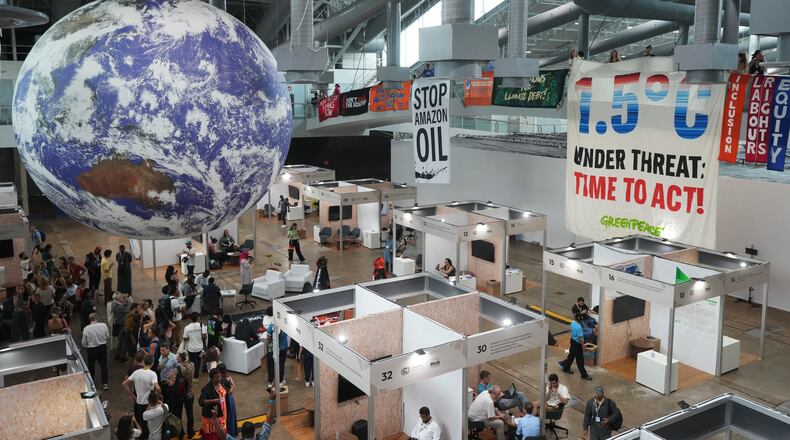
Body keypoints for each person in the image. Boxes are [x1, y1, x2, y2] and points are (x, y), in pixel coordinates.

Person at [212, 389, 276, 440]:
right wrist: (272, 400)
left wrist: (215, 419)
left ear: (242, 433)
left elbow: (223, 436)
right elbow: (269, 421)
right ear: (254, 431)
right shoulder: (262, 437)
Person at [124, 355, 160, 439]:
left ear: (144, 362)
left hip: (138, 401)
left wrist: (131, 394)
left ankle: (139, 435)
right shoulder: (152, 374)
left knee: (139, 421)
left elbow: (124, 383)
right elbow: (158, 388)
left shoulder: (136, 372)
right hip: (148, 403)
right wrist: (157, 397)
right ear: (152, 363)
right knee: (147, 423)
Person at [558, 313, 592, 380]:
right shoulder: (579, 327)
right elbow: (580, 338)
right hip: (577, 344)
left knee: (571, 356)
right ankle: (584, 375)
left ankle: (566, 368)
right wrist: (583, 346)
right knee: (580, 360)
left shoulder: (572, 322)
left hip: (572, 341)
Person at [82, 312, 110, 390]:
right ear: (96, 318)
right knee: (103, 365)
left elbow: (83, 343)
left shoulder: (86, 328)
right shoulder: (103, 325)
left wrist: (88, 345)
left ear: (89, 319)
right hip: (102, 348)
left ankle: (91, 383)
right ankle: (105, 383)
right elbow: (107, 336)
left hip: (91, 350)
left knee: (91, 366)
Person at [199, 368, 228, 440]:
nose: (219, 379)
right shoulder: (206, 389)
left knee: (222, 432)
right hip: (212, 417)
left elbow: (226, 390)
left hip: (222, 413)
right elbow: (201, 402)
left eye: (220, 376)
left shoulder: (220, 383)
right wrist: (214, 401)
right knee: (214, 435)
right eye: (217, 378)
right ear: (211, 378)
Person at [175, 352, 196, 438]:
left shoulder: (178, 368)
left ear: (180, 358)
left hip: (180, 395)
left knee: (178, 414)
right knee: (190, 413)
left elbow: (173, 382)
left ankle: (180, 433)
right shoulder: (192, 365)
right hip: (190, 393)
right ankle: (190, 432)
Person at [183, 312, 206, 380]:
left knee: (192, 362)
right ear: (197, 318)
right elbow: (205, 336)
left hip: (191, 348)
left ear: (190, 319)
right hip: (199, 348)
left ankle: (193, 375)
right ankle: (196, 376)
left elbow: (185, 338)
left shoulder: (187, 327)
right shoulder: (201, 325)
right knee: (198, 362)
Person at [266, 320, 288, 389]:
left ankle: (270, 382)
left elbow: (268, 338)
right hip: (283, 348)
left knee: (271, 365)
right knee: (281, 364)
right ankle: (280, 381)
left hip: (273, 348)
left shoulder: (271, 326)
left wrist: (266, 346)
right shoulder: (285, 325)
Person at [217, 363, 238, 436]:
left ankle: (229, 434)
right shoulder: (228, 377)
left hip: (226, 400)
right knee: (231, 416)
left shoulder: (221, 380)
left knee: (227, 417)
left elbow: (231, 388)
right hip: (230, 398)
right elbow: (233, 386)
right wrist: (229, 392)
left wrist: (226, 393)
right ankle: (232, 432)